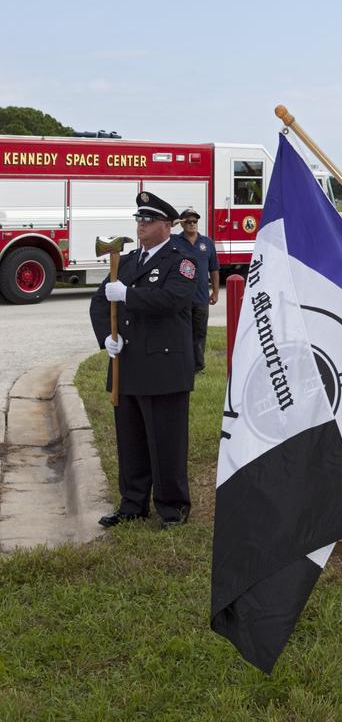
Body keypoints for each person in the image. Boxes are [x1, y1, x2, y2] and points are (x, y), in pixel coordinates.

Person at [90, 190, 197, 528]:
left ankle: (173, 508)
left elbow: (174, 299)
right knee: (131, 441)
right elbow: (99, 303)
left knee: (166, 442)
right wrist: (106, 338)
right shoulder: (127, 261)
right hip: (129, 365)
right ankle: (133, 503)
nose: (141, 225)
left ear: (168, 225)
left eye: (149, 220)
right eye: (139, 219)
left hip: (164, 368)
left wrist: (129, 295)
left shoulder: (183, 259)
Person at [173, 206, 220, 373]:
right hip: (181, 297)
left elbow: (213, 269)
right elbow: (159, 237)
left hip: (201, 298)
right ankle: (182, 365)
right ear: (182, 224)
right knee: (181, 333)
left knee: (199, 333)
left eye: (195, 221)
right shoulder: (174, 241)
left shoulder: (206, 243)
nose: (192, 224)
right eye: (188, 221)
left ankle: (198, 367)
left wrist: (215, 291)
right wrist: (174, 222)